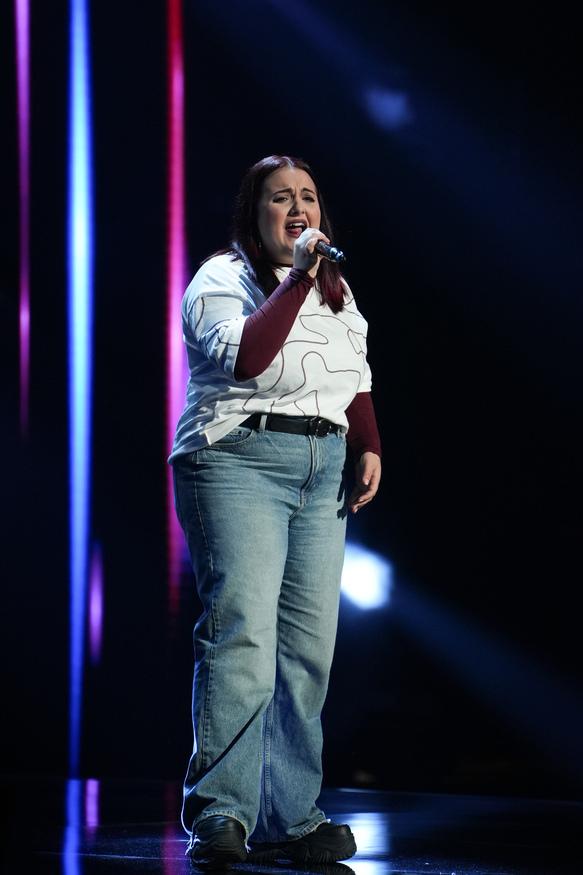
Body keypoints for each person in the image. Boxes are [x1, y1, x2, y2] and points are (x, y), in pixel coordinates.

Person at [169, 155, 382, 866]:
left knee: (306, 653)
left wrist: (369, 444)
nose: (298, 208)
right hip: (238, 460)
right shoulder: (221, 279)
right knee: (244, 640)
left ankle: (289, 816)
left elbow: (354, 373)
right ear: (253, 214)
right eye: (280, 197)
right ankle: (221, 811)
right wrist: (296, 278)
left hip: (322, 466)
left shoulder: (335, 291)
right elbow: (247, 360)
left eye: (308, 197)